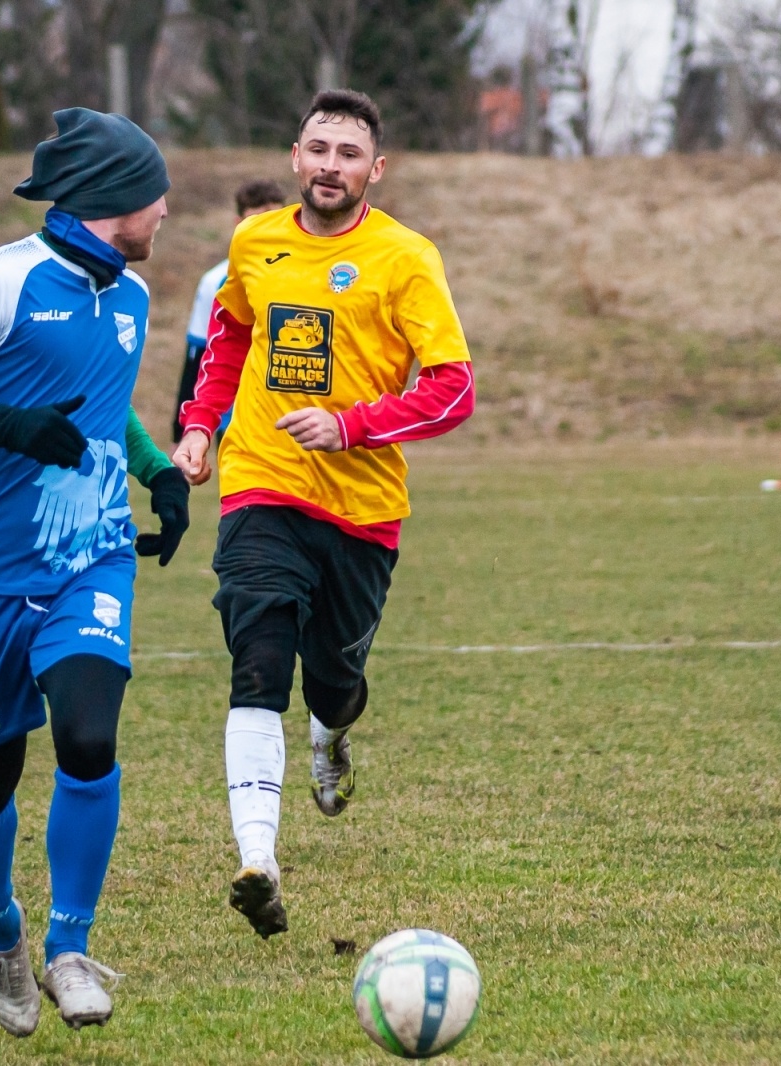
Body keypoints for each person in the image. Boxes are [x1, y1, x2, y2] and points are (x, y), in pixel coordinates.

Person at [0, 109, 190, 1034]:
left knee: (89, 738)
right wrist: (6, 424)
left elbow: (107, 406)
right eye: (154, 195)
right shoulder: (2, 282)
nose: (166, 211)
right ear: (111, 201)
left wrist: (157, 473)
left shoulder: (130, 298)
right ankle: (2, 939)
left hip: (88, 559)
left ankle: (69, 947)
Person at [172, 89, 476, 939]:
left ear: (375, 170)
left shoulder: (406, 257)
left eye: (348, 154)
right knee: (257, 657)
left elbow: (453, 389)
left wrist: (353, 425)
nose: (330, 166)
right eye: (318, 149)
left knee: (334, 686)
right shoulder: (254, 240)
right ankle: (258, 859)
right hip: (263, 483)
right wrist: (201, 427)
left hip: (363, 510)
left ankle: (332, 732)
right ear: (294, 156)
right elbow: (230, 336)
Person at [171, 179, 287, 441]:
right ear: (239, 223)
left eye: (275, 218)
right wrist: (183, 428)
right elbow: (199, 353)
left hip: (287, 414)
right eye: (258, 219)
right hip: (233, 417)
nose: (268, 229)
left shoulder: (307, 273)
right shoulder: (217, 281)